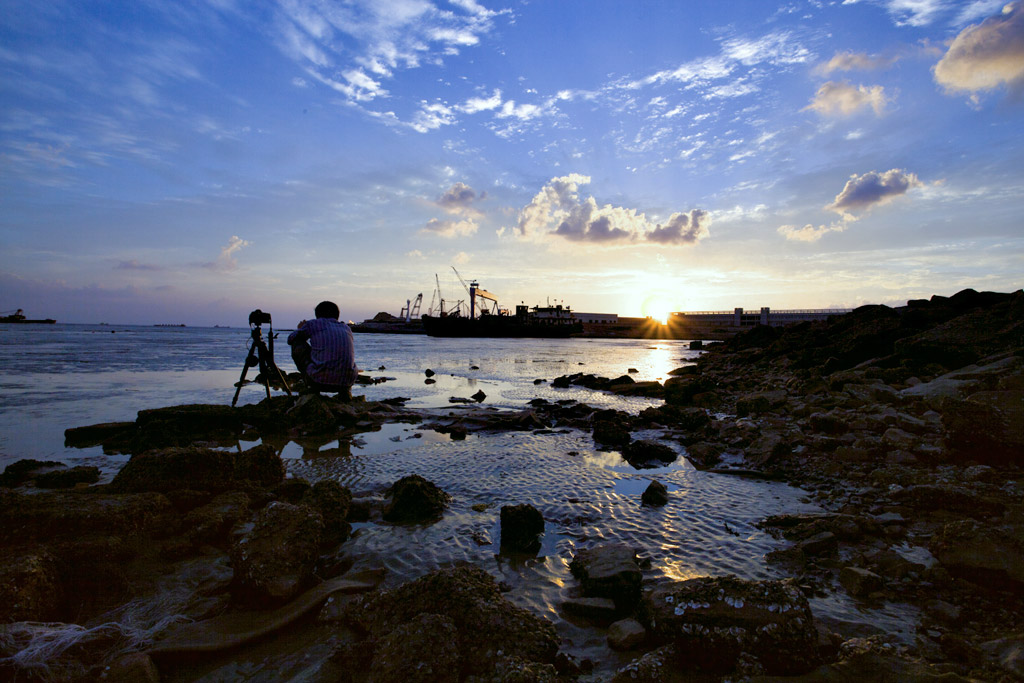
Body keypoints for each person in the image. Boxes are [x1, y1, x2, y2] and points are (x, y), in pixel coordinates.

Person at [287, 301, 358, 398]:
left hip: (319, 381)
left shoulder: (314, 324)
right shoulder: (346, 328)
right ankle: (345, 392)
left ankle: (310, 386)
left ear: (318, 315)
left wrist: (301, 328)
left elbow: (291, 339)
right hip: (347, 382)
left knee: (297, 342)